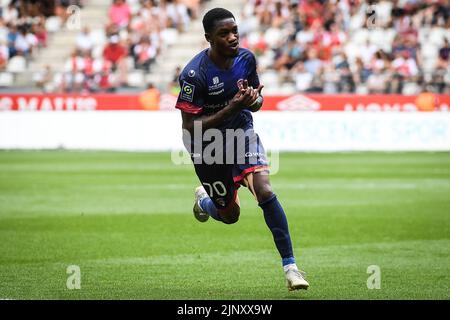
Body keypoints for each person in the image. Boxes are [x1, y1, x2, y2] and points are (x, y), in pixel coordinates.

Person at [174, 8, 309, 292]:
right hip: (206, 147)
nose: (233, 37)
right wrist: (232, 106)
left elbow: (257, 101)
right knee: (230, 215)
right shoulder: (193, 74)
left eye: (235, 31)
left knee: (265, 191)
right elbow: (190, 127)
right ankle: (205, 202)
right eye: (224, 33)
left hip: (241, 135)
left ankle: (291, 267)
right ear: (209, 38)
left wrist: (251, 101)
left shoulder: (246, 59)